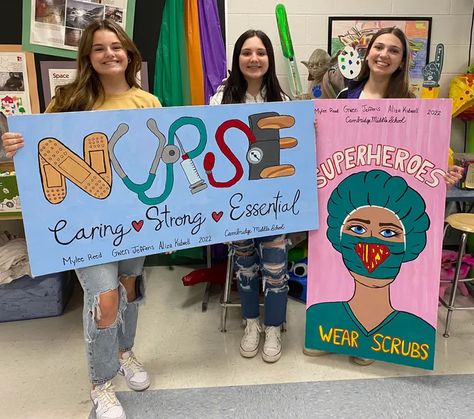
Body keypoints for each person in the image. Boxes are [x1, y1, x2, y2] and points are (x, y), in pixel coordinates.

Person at [2, 19, 161, 419]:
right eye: (99, 48)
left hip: (133, 220)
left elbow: (161, 162)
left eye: (116, 46)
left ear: (129, 53)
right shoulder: (71, 99)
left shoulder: (148, 102)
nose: (110, 54)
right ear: (88, 57)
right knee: (105, 299)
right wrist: (15, 144)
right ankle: (101, 383)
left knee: (131, 288)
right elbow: (40, 147)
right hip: (85, 226)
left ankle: (125, 352)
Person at [209, 29, 290, 363]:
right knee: (245, 265)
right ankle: (251, 323)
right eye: (246, 52)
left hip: (274, 204)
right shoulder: (220, 100)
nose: (254, 59)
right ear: (237, 58)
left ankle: (273, 326)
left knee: (275, 266)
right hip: (236, 205)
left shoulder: (282, 102)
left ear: (269, 59)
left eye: (260, 52)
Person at [305, 170, 435, 369]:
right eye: (358, 229)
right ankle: (329, 340)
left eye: (388, 232)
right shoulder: (320, 313)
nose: (372, 248)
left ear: (409, 245)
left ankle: (369, 346)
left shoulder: (420, 331)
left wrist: (443, 176)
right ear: (338, 237)